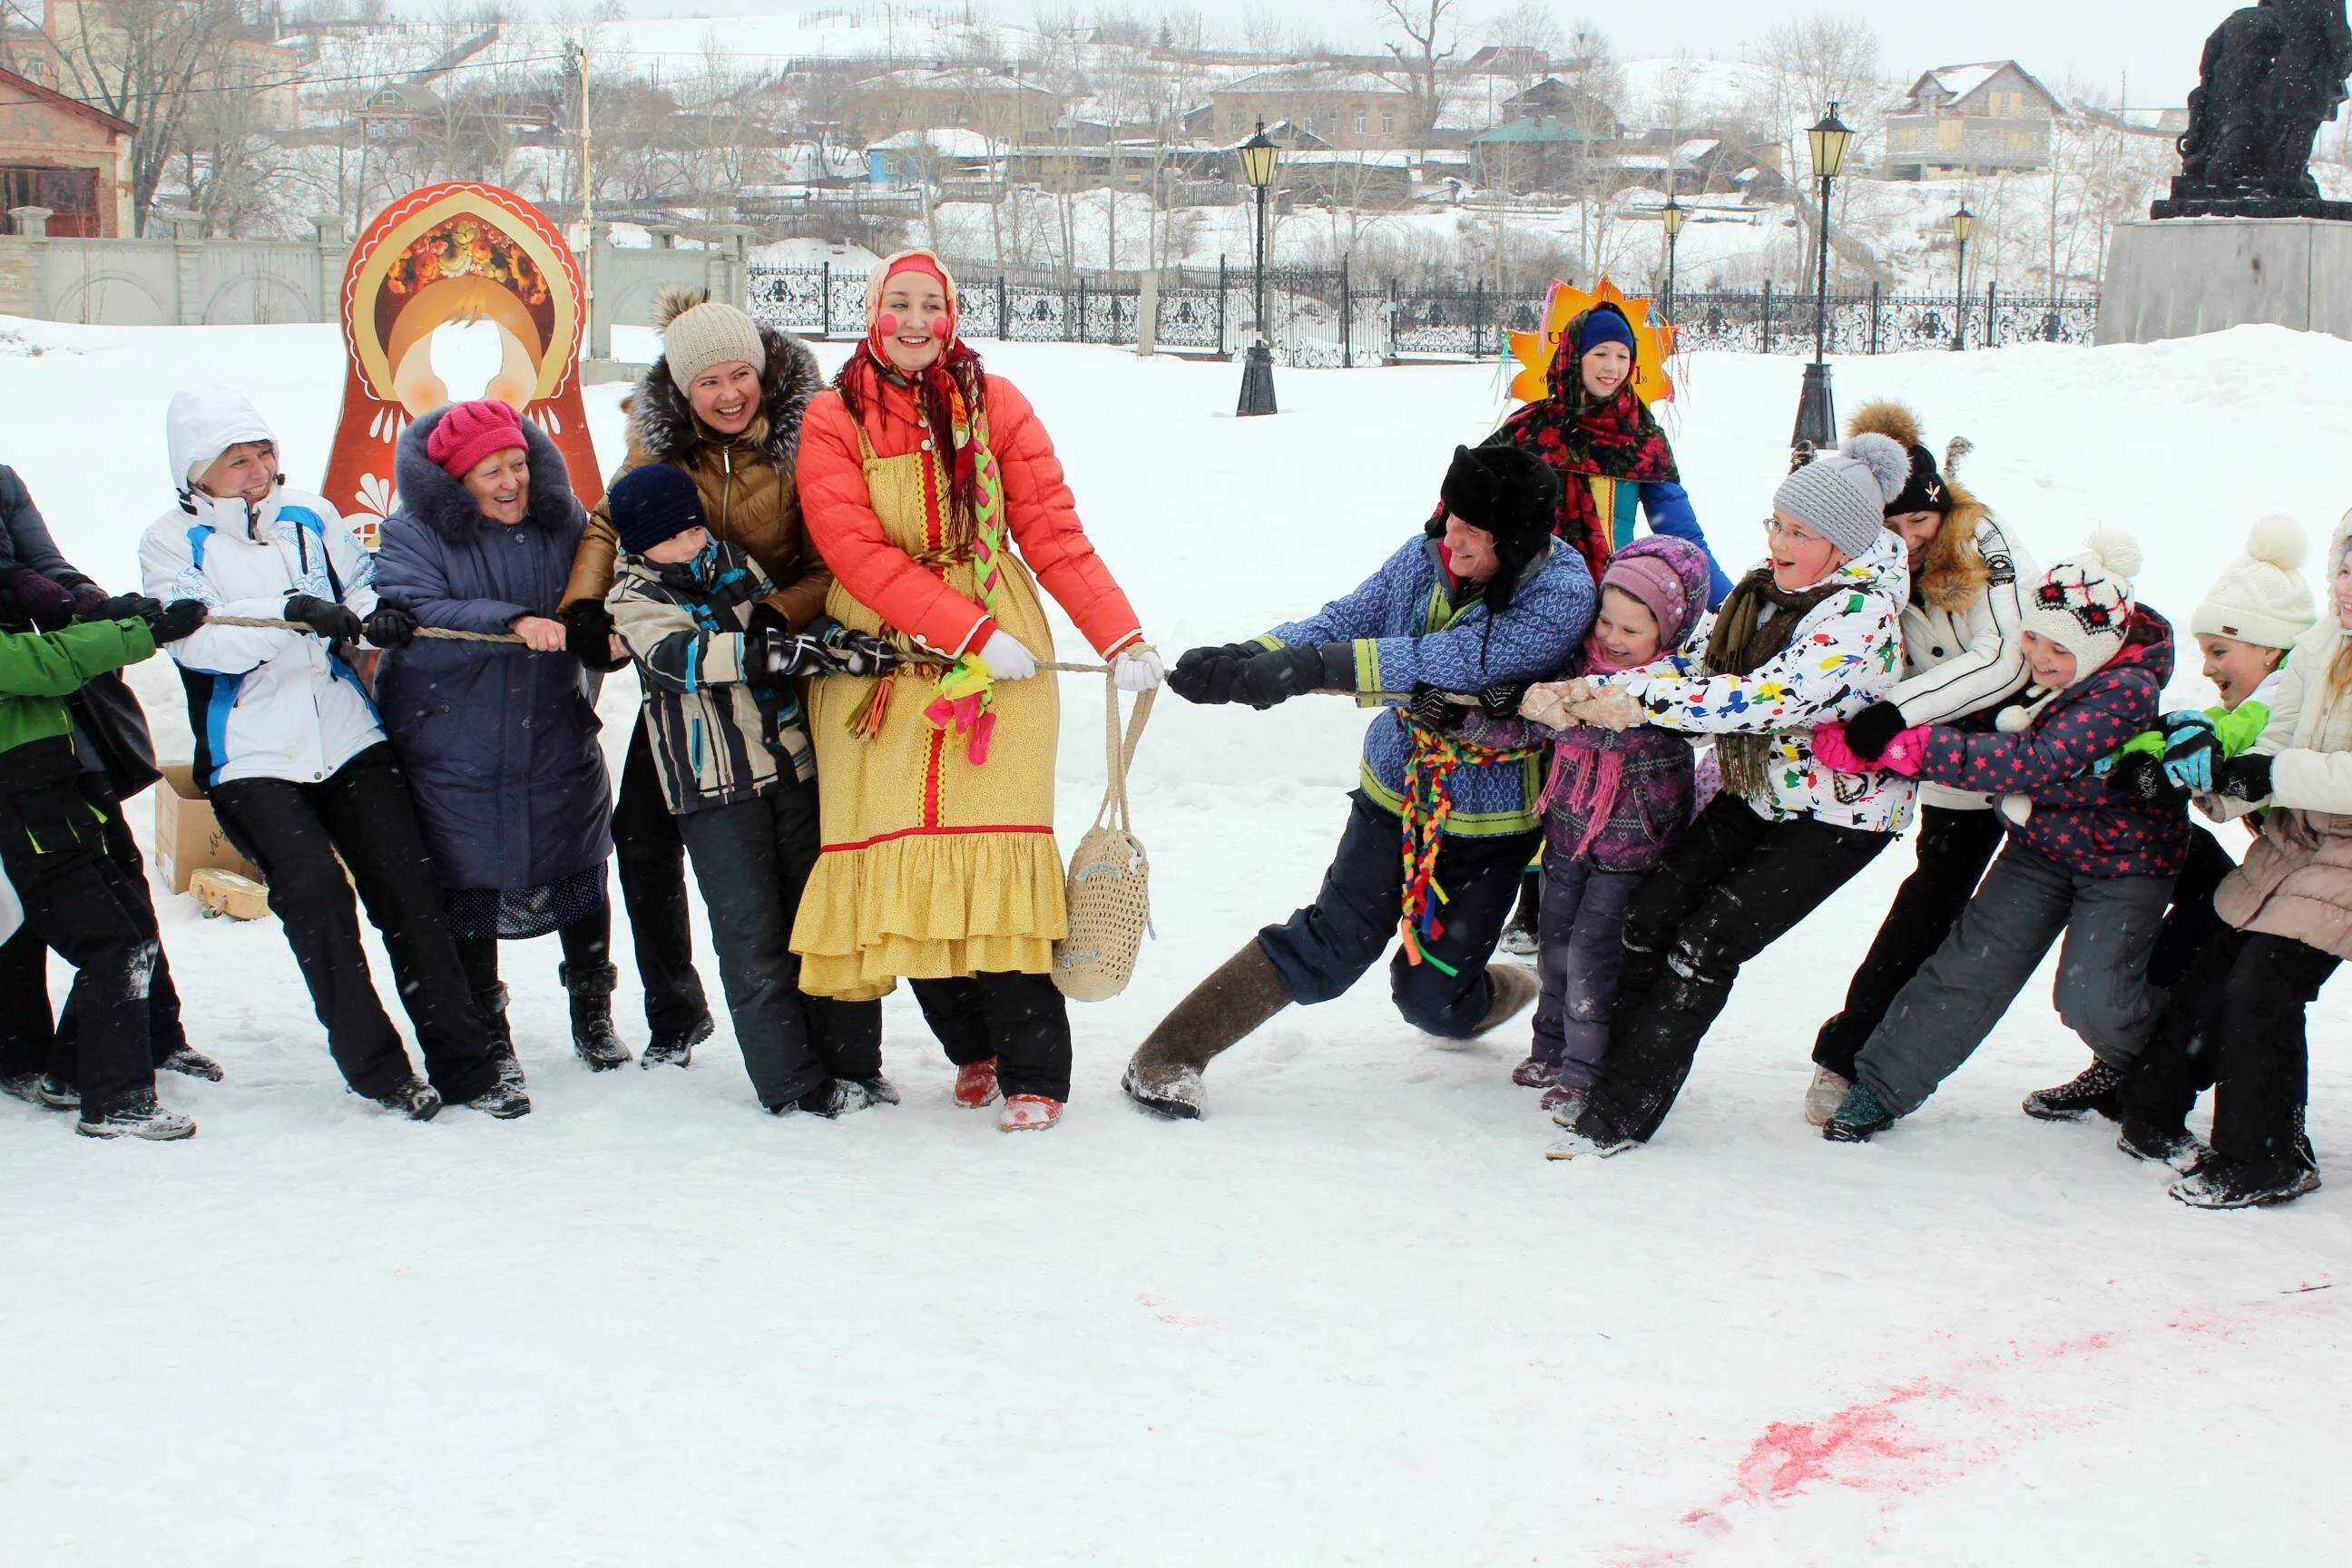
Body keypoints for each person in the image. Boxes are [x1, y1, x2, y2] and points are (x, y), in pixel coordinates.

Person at [791, 249, 1161, 1133]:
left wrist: (1121, 634)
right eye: (898, 304)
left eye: (931, 305)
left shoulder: (998, 406)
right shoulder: (832, 415)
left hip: (1007, 671)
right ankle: (974, 1050)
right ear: (872, 313)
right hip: (882, 662)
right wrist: (964, 632)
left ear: (952, 315)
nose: (915, 322)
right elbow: (854, 552)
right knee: (904, 864)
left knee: (998, 862)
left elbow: (1053, 533)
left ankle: (1036, 1071)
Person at [1122, 443, 1593, 1120]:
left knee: (1431, 997)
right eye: (1450, 519)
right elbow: (1347, 619)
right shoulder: (1425, 553)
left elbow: (1449, 659)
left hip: (1492, 827)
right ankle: (1170, 1055)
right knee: (1332, 942)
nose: (1450, 540)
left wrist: (1309, 670)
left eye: (1473, 533)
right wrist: (1257, 656)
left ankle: (1502, 991)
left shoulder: (1561, 596)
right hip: (1395, 793)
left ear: (1516, 543)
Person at [138, 387, 521, 1122]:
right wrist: (290, 618)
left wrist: (381, 620)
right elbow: (197, 640)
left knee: (411, 892)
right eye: (235, 460)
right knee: (314, 894)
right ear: (196, 472)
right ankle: (378, 1069)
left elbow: (361, 592)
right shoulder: (171, 540)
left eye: (264, 453)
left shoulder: (311, 515)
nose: (257, 472)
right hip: (252, 753)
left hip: (347, 736)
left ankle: (469, 1065)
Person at [1541, 434, 1916, 1160]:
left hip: (1840, 814)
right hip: (1766, 787)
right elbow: (1706, 660)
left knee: (1705, 945)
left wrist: (1639, 700)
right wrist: (1602, 687)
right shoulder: (1772, 587)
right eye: (1776, 522)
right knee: (1649, 915)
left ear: (1844, 544)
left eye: (1798, 532)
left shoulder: (1859, 618)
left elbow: (1767, 698)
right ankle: (1600, 1073)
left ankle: (1621, 1111)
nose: (1777, 540)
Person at [1813, 531, 2188, 1142]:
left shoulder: (2125, 692)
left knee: (2088, 995)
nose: (2038, 655)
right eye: (2033, 635)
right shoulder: (2044, 676)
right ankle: (1881, 1087)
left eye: (2057, 648)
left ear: (2095, 650)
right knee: (1968, 966)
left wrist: (1911, 748)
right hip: (2042, 848)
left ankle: (2158, 1062)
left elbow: (2032, 762)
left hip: (2125, 863)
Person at [557, 286, 828, 1068]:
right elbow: (611, 519)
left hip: (784, 658)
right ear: (682, 389)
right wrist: (584, 604)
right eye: (708, 381)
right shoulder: (662, 440)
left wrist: (779, 613)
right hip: (695, 671)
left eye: (739, 375)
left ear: (764, 372)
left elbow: (825, 556)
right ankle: (676, 1010)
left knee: (799, 847)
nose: (728, 394)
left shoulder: (806, 436)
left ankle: (824, 1017)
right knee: (641, 833)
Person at [606, 464, 892, 1116]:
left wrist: (839, 644)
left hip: (789, 768)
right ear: (637, 543)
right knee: (753, 941)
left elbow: (788, 625)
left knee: (820, 923)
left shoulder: (731, 562)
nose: (688, 545)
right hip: (714, 794)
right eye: (670, 538)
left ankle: (855, 1066)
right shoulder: (633, 597)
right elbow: (682, 660)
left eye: (692, 528)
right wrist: (769, 654)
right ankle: (792, 1084)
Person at [374, 399, 622, 1079]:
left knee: (580, 871)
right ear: (458, 479)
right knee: (471, 888)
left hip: (552, 729)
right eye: (491, 472)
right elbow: (416, 603)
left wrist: (605, 631)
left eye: (518, 464)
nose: (512, 482)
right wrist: (513, 619)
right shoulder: (415, 533)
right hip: (455, 744)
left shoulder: (561, 518)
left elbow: (600, 583)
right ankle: (489, 1029)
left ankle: (593, 1011)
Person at [1801, 403, 2034, 1124]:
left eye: (1918, 524)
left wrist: (1896, 711)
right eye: (1890, 528)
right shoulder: (1861, 559)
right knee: (1930, 905)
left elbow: (2003, 657)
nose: (1906, 541)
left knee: (2107, 893)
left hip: (2038, 748)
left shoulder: (1982, 537)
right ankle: (1850, 1054)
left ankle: (2146, 1057)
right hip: (1946, 763)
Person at [1478, 300, 1730, 957]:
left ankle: (1573, 892)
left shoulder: (1640, 433)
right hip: (1530, 606)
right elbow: (1468, 497)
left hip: (1603, 615)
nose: (1613, 368)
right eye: (1601, 355)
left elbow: (1679, 526)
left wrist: (1729, 600)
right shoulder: (1530, 428)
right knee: (1529, 737)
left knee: (1580, 746)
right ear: (1573, 359)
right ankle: (1523, 898)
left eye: (1623, 357)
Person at [2119, 514, 2345, 1207]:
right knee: (2211, 962)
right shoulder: (2325, 642)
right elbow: (2272, 739)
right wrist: (2212, 781)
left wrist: (2270, 779)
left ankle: (2267, 1155)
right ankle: (2148, 1111)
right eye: (2347, 565)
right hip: (2296, 846)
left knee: (2264, 987)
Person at [1474, 536, 1713, 1121]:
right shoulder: (1576, 669)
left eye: (1632, 630)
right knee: (1554, 945)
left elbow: (1620, 728)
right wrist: (1477, 717)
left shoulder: (1674, 688)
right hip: (1568, 832)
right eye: (1606, 620)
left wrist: (1566, 705)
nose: (1612, 638)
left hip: (1636, 844)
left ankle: (1585, 1071)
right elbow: (1530, 731)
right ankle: (1550, 1050)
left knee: (1591, 956)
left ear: (1668, 632)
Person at [0, 466, 218, 1102]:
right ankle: (39, 1060)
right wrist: (130, 634)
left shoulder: (5, 482)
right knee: (48, 913)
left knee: (120, 891)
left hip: (60, 734)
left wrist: (86, 602)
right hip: (21, 742)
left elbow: (46, 566)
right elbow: (29, 664)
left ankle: (140, 1040)